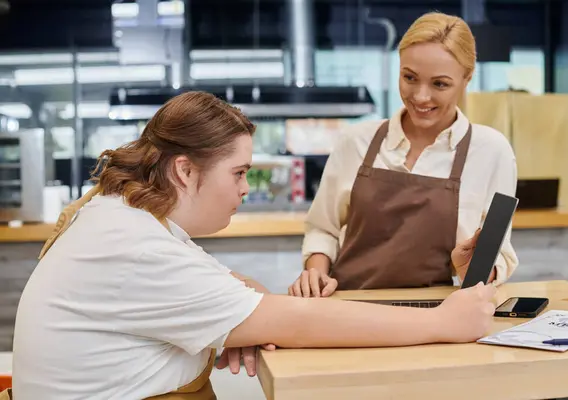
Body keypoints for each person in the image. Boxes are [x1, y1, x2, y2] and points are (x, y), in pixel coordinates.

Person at [10, 91, 497, 400]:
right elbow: (295, 319)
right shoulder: (134, 245)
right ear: (185, 170)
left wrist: (238, 315)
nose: (246, 188)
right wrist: (441, 322)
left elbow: (211, 283)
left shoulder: (120, 214)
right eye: (239, 173)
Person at [289, 11, 519, 298]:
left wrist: (473, 268)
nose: (421, 97)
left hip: (438, 316)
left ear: (467, 78)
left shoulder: (491, 151)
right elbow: (323, 230)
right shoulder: (356, 141)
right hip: (347, 308)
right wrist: (316, 274)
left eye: (440, 84)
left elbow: (499, 253)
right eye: (409, 77)